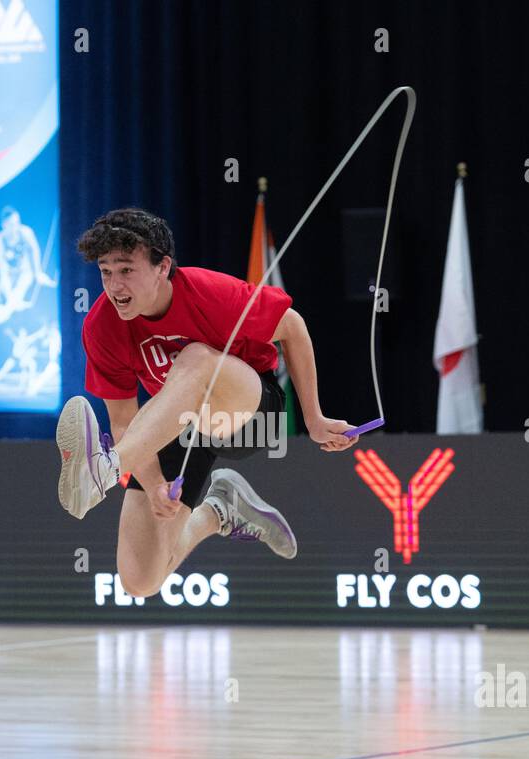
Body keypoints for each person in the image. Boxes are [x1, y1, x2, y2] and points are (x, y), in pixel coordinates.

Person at [55, 207, 358, 598]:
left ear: (163, 267)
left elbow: (293, 326)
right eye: (105, 272)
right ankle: (219, 510)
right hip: (179, 422)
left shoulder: (208, 293)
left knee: (195, 358)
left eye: (126, 270)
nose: (114, 285)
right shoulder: (101, 326)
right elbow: (125, 421)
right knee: (140, 580)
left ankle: (104, 470)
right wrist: (154, 485)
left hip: (248, 414)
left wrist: (314, 418)